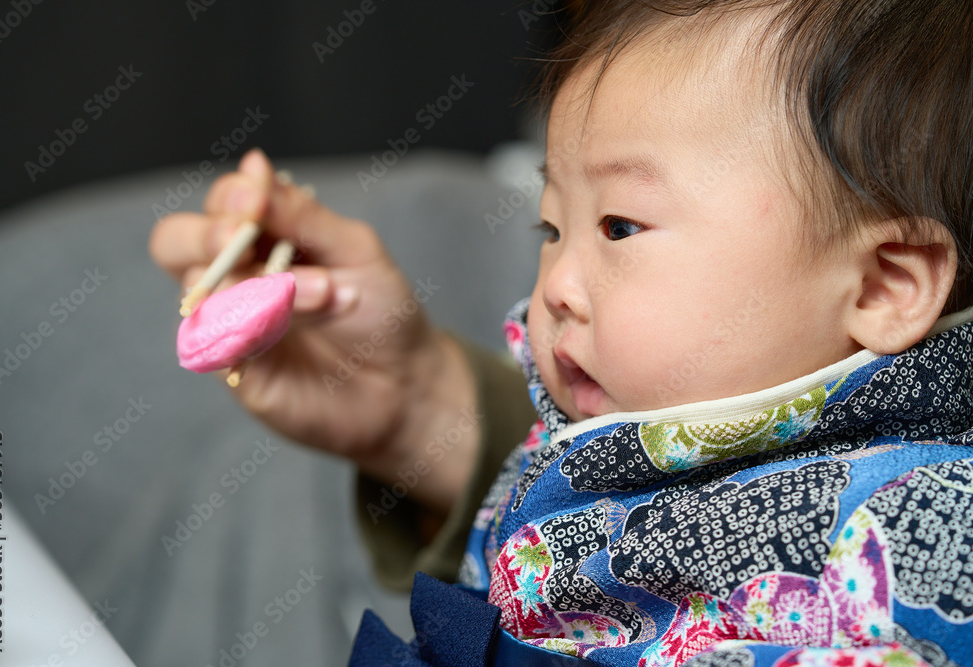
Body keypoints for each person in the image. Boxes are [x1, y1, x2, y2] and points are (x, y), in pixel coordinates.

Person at [150, 0, 973, 664]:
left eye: (619, 226)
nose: (556, 290)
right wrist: (418, 414)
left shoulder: (914, 542)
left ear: (883, 284)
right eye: (550, 229)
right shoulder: (612, 429)